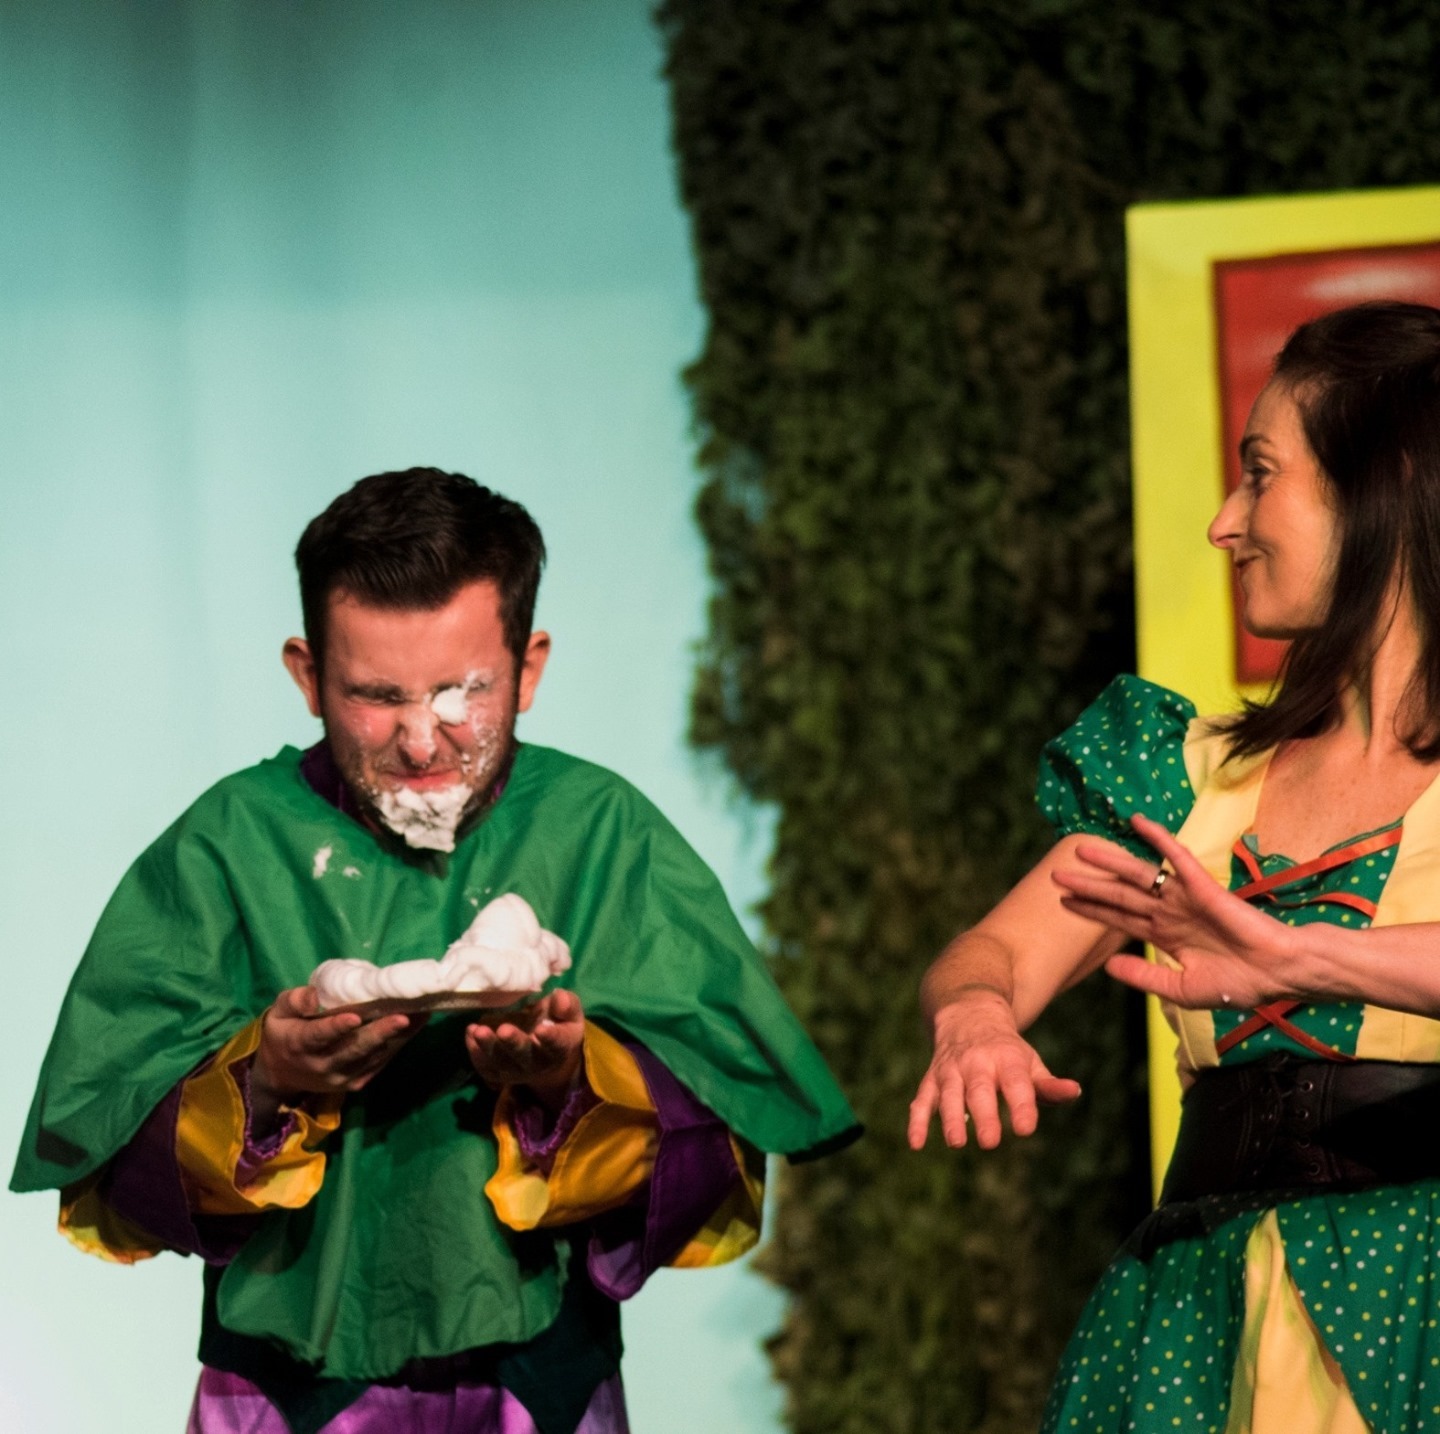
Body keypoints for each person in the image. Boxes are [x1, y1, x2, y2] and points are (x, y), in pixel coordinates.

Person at [12, 468, 859, 1434]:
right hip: (282, 1396)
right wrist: (265, 1081)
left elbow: (721, 1133)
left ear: (528, 668)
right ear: (306, 674)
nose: (423, 740)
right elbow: (107, 1156)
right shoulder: (227, 843)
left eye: (464, 691)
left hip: (544, 1388)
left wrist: (567, 1083)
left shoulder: (602, 832)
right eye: (376, 696)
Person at [909, 301, 1440, 1433]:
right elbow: (993, 951)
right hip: (1198, 1327)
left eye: (1261, 476)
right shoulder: (1187, 775)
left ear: (1383, 486)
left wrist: (1291, 954)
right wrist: (977, 1019)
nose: (1223, 522)